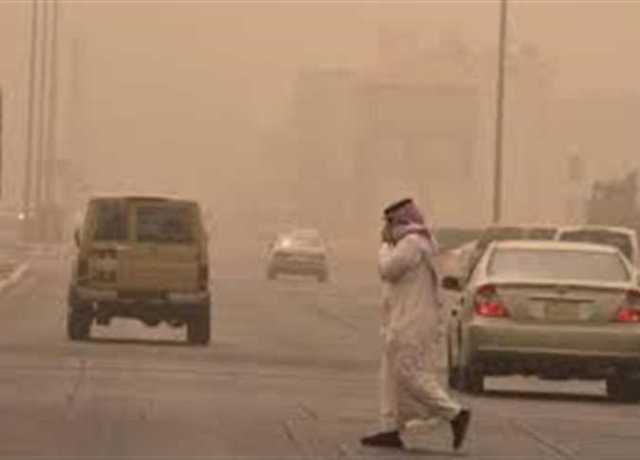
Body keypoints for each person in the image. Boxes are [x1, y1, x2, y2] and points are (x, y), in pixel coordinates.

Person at [360, 198, 471, 451]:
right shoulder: (415, 241)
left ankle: (454, 414)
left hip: (413, 321)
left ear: (399, 221)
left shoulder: (411, 243)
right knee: (390, 377)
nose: (386, 227)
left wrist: (385, 246)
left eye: (389, 222)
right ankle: (389, 429)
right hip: (401, 319)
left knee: (407, 373)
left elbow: (388, 270)